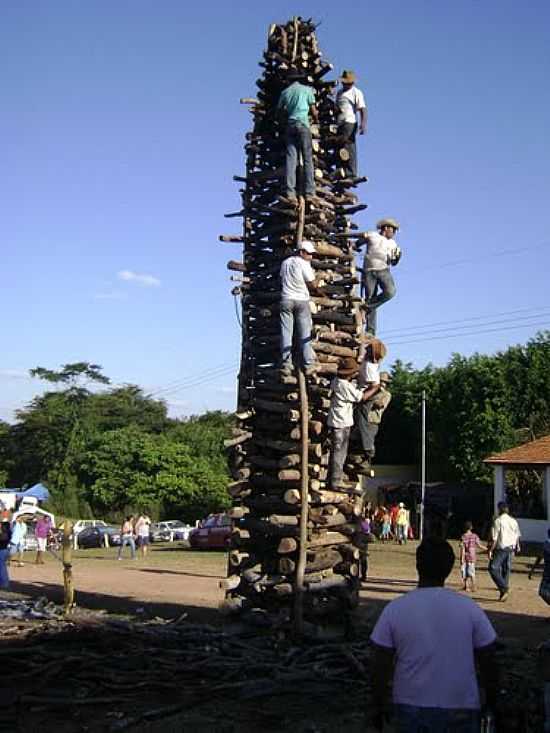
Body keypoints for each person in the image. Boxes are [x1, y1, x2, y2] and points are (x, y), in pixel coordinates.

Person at [371, 538, 498, 732]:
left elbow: (380, 663)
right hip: (461, 705)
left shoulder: (395, 609)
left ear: (417, 565)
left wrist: (378, 705)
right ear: (449, 568)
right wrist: (491, 703)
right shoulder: (470, 609)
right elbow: (489, 658)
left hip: (409, 707)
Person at [327, 357, 380, 489]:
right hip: (341, 423)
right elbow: (361, 397)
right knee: (339, 453)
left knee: (338, 452)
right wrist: (374, 387)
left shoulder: (337, 381)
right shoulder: (344, 385)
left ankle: (334, 480)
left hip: (338, 421)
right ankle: (335, 481)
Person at [279, 241, 323, 375]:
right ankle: (309, 363)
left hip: (286, 298)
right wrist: (319, 278)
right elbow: (312, 284)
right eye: (309, 254)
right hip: (301, 300)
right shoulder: (303, 263)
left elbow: (281, 278)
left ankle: (286, 364)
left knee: (286, 333)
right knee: (305, 333)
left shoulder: (285, 263)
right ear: (302, 252)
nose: (311, 257)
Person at [357, 219, 402, 335]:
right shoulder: (372, 235)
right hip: (369, 270)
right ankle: (370, 330)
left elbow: (394, 262)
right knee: (371, 296)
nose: (394, 233)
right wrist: (353, 245)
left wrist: (397, 258)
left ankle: (365, 308)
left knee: (390, 292)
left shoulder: (393, 244)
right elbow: (358, 242)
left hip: (383, 270)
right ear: (386, 228)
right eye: (392, 230)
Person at [276, 72, 317, 202]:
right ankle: (309, 192)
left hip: (290, 125)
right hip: (303, 124)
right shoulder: (307, 90)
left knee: (291, 159)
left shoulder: (285, 92)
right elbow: (314, 110)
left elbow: (279, 112)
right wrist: (315, 119)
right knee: (307, 158)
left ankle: (290, 192)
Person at [355, 371, 392, 463]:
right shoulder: (370, 391)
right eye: (381, 381)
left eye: (384, 382)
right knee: (356, 439)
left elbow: (381, 404)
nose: (382, 384)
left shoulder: (386, 394)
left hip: (372, 420)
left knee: (368, 442)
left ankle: (366, 460)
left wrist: (373, 397)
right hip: (361, 418)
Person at [335, 70, 367, 178]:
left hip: (349, 122)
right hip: (339, 123)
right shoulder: (339, 93)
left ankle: (351, 172)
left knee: (349, 146)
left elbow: (363, 109)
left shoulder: (356, 92)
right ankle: (341, 170)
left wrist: (363, 124)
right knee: (339, 147)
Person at [488, 502, 521, 602]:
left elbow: (495, 538)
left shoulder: (498, 521)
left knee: (493, 568)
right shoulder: (513, 521)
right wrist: (518, 545)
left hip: (501, 548)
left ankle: (504, 588)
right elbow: (517, 535)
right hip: (511, 547)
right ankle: (503, 593)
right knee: (506, 570)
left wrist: (490, 550)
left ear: (499, 509)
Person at [460, 521, 486, 593]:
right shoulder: (475, 536)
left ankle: (467, 586)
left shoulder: (463, 537)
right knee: (472, 572)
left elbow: (463, 548)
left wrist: (461, 558)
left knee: (464, 572)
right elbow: (479, 545)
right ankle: (473, 586)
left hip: (465, 556)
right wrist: (487, 549)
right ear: (471, 528)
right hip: (472, 556)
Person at [529, 528, 550, 608]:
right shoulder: (547, 544)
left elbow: (540, 556)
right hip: (547, 573)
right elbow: (540, 556)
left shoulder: (547, 544)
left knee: (543, 592)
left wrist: (532, 570)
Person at [0, 520, 11, 589]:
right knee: (2, 567)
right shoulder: (7, 532)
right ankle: (4, 583)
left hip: (2, 551)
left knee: (2, 568)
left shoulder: (5, 533)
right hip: (4, 550)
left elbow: (2, 540)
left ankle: (4, 583)